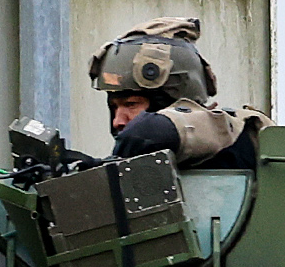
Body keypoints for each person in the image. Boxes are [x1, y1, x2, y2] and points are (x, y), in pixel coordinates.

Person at [88, 17, 268, 163]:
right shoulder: (150, 167)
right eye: (114, 108)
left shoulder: (234, 131)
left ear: (170, 101)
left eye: (131, 104)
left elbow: (149, 132)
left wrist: (114, 164)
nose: (117, 121)